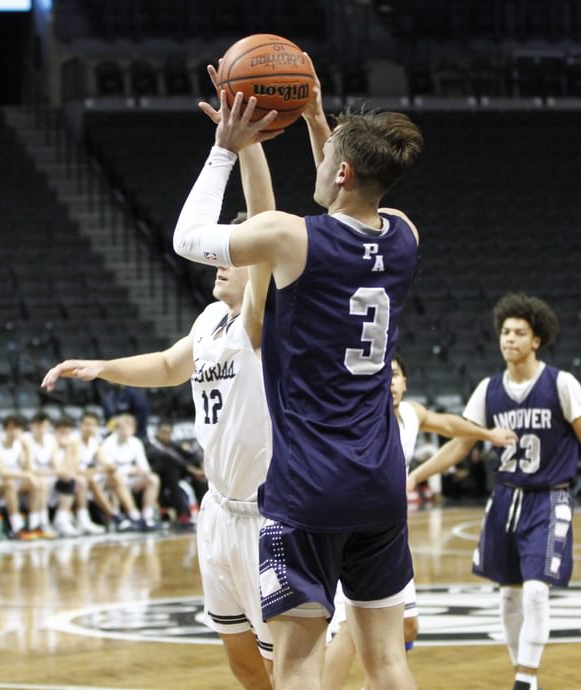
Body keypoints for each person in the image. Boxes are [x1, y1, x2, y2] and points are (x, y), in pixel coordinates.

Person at [169, 64, 424, 689]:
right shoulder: (404, 236)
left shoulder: (291, 239)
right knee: (387, 660)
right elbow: (347, 202)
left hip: (309, 487)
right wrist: (315, 121)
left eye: (329, 152)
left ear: (341, 172)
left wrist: (225, 149)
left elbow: (187, 238)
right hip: (380, 482)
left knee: (298, 662)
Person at [43, 138, 278, 689]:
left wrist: (247, 146)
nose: (218, 261)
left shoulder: (263, 321)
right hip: (218, 510)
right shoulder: (209, 321)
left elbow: (266, 223)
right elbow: (171, 365)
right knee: (242, 660)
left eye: (232, 255)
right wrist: (103, 367)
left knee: (285, 662)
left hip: (267, 516)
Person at [407, 293, 581, 690]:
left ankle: (526, 678)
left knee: (537, 591)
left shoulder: (562, 384)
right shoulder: (488, 389)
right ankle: (522, 673)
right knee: (509, 597)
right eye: (505, 332)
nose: (510, 339)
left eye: (519, 333)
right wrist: (415, 476)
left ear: (536, 340)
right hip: (505, 499)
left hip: (549, 498)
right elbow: (460, 445)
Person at [323, 355, 517, 688]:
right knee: (352, 629)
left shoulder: (411, 415)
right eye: (383, 375)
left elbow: (450, 425)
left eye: (396, 374)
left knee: (407, 627)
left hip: (388, 538)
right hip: (353, 536)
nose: (390, 382)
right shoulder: (359, 417)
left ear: (405, 382)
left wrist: (489, 434)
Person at [0, 415, 48, 540]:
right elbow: (3, 473)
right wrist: (28, 475)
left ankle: (35, 526)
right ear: (5, 429)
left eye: (17, 428)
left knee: (37, 483)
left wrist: (28, 450)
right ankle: (17, 528)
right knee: (9, 483)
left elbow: (27, 470)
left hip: (9, 489)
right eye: (11, 428)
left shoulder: (18, 447)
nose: (14, 431)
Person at [96, 414, 160, 532]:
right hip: (108, 480)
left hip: (129, 479)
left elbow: (145, 467)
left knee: (153, 479)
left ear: (133, 430)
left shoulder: (136, 443)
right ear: (116, 429)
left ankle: (147, 516)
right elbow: (108, 469)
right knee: (117, 477)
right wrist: (129, 470)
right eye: (121, 428)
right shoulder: (108, 443)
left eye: (127, 428)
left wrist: (141, 471)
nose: (124, 431)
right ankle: (134, 515)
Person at [146, 420, 206, 528]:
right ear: (157, 432)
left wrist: (199, 464)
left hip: (177, 472)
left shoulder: (171, 444)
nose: (166, 436)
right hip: (159, 476)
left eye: (169, 433)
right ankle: (182, 514)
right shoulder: (150, 445)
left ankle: (204, 509)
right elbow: (169, 457)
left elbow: (190, 455)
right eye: (164, 432)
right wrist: (192, 470)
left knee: (197, 474)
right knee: (171, 469)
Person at [58, 413, 108, 535]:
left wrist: (107, 467)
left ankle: (85, 519)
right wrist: (99, 470)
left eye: (92, 425)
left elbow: (104, 462)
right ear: (80, 425)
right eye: (86, 424)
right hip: (63, 474)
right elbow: (74, 469)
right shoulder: (74, 440)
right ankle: (65, 519)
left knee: (112, 478)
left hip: (79, 475)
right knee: (82, 481)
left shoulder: (95, 442)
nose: (89, 428)